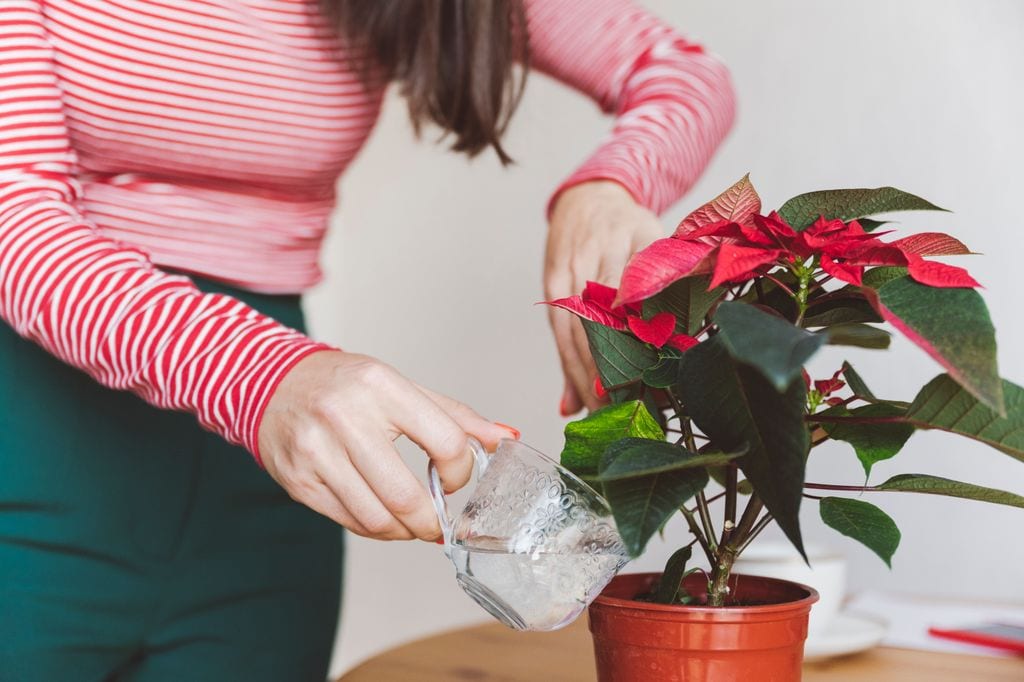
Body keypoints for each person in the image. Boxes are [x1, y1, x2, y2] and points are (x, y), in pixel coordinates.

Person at [0, 0, 734, 679]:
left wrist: (608, 189)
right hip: (44, 446)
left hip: (264, 487)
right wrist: (264, 376)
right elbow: (16, 220)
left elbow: (685, 74)